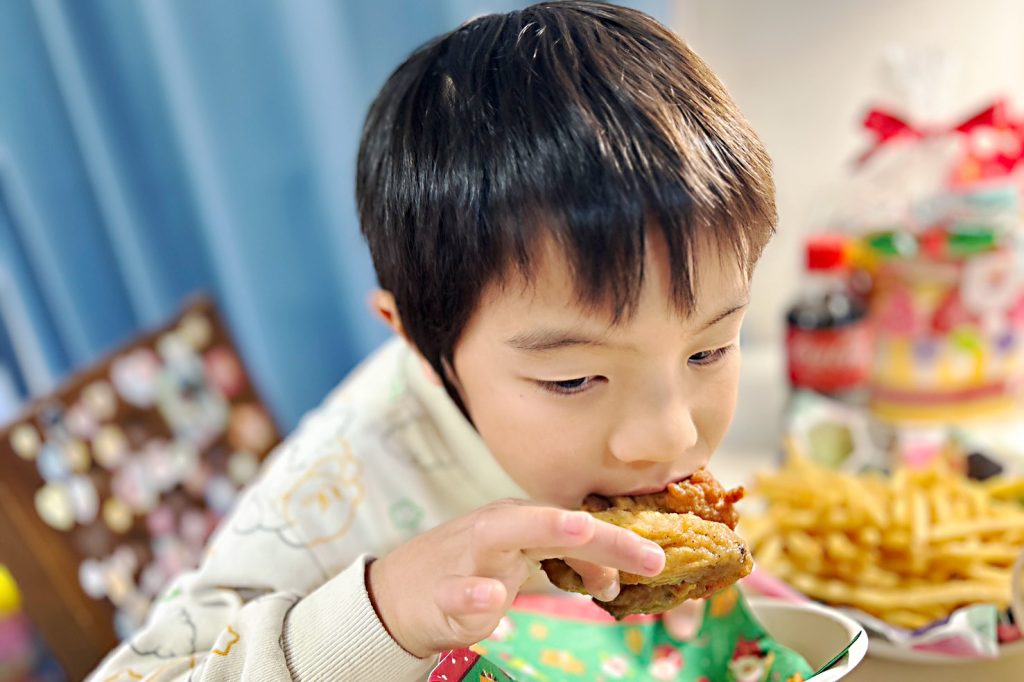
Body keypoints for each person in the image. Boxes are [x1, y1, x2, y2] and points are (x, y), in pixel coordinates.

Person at [89, 1, 775, 679]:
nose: (668, 435)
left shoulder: (633, 453)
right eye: (572, 379)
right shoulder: (340, 492)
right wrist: (379, 616)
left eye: (708, 351)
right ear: (419, 339)